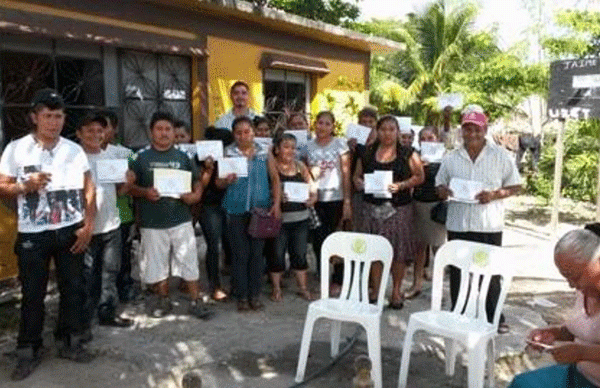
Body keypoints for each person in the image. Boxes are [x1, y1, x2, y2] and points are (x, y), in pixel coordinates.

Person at [0, 89, 96, 380]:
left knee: (73, 288)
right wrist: (23, 186)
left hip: (70, 230)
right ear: (34, 117)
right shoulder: (16, 149)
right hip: (34, 233)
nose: (53, 122)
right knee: (32, 294)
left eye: (58, 116)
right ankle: (28, 349)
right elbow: (2, 186)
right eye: (47, 116)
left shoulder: (74, 150)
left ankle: (71, 341)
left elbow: (88, 188)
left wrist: (88, 225)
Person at [435, 109, 521, 333]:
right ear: (461, 130)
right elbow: (439, 184)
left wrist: (493, 195)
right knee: (457, 271)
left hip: (488, 224)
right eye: (467, 128)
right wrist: (443, 191)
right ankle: (459, 312)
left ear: (485, 130)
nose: (472, 133)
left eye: (476, 129)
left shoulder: (501, 156)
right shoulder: (452, 157)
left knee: (490, 273)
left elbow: (516, 186)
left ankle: (494, 317)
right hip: (458, 223)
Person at [127, 111, 212, 319]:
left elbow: (197, 181)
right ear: (151, 132)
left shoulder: (184, 157)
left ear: (174, 132)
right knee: (157, 264)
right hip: (152, 221)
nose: (164, 133)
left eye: (168, 129)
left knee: (189, 261)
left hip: (181, 220)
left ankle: (195, 300)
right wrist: (144, 192)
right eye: (159, 129)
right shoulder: (139, 157)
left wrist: (195, 195)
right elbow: (130, 187)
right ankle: (163, 300)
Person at [508, 227, 600, 388]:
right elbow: (585, 332)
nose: (571, 285)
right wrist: (554, 333)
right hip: (578, 374)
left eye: (575, 276)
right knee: (521, 384)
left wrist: (582, 353)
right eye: (566, 276)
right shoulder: (584, 288)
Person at [353, 115, 424, 308]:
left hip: (399, 209)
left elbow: (419, 176)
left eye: (391, 129)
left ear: (398, 132)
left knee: (398, 253)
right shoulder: (367, 153)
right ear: (377, 131)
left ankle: (396, 292)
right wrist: (358, 183)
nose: (387, 133)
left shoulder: (408, 153)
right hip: (371, 208)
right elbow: (356, 176)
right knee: (375, 250)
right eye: (383, 129)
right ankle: (376, 291)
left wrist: (402, 185)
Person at [217, 116, 281, 311]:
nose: (243, 136)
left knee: (256, 254)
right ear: (233, 134)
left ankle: (255, 295)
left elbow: (276, 180)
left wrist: (276, 204)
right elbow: (218, 183)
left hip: (260, 211)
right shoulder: (228, 153)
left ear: (253, 132)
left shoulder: (264, 153)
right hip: (236, 210)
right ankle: (242, 296)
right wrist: (225, 180)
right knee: (240, 254)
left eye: (247, 131)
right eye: (239, 132)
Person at [76, 114, 133, 329]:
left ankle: (107, 312)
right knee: (86, 275)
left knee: (110, 272)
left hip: (111, 224)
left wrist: (127, 182)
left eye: (100, 130)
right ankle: (83, 318)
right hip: (85, 228)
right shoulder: (75, 159)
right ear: (79, 133)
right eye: (89, 130)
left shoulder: (111, 159)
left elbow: (118, 192)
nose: (95, 134)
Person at [306, 111, 352, 295]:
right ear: (314, 124)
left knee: (337, 239)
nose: (322, 127)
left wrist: (347, 201)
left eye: (327, 123)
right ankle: (323, 274)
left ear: (333, 126)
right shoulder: (308, 146)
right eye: (320, 123)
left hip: (336, 198)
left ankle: (339, 278)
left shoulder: (340, 144)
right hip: (316, 199)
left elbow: (346, 173)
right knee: (318, 240)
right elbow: (303, 170)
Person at [269, 133, 317, 302]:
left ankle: (303, 288)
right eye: (286, 146)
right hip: (279, 220)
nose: (290, 150)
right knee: (277, 254)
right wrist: (276, 197)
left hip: (300, 219)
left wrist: (312, 198)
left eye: (293, 147)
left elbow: (312, 187)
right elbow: (267, 191)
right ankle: (276, 288)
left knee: (300, 254)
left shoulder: (300, 166)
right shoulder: (272, 166)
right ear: (277, 149)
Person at [98, 110, 138, 303]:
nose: (100, 132)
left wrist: (129, 184)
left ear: (114, 129)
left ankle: (125, 289)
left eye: (104, 127)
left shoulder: (125, 154)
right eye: (95, 128)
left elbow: (136, 184)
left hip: (121, 215)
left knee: (122, 258)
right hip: (95, 218)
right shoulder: (83, 153)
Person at [406, 126, 446, 299]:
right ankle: (417, 285)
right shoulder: (415, 155)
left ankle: (440, 288)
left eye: (431, 137)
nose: (428, 141)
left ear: (437, 139)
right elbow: (406, 177)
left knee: (440, 248)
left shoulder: (445, 157)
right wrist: (418, 167)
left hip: (437, 205)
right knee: (419, 248)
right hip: (418, 203)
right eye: (424, 138)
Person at [197, 127, 233, 302]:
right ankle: (215, 285)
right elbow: (202, 185)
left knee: (230, 243)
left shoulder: (232, 157)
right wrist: (208, 169)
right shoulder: (201, 158)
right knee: (213, 245)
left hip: (230, 205)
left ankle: (232, 280)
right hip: (209, 205)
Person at [349, 107, 378, 231]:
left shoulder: (382, 140)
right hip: (359, 190)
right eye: (363, 122)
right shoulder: (355, 141)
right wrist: (350, 149)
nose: (367, 125)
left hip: (378, 190)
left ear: (376, 122)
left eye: (370, 121)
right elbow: (349, 166)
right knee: (360, 226)